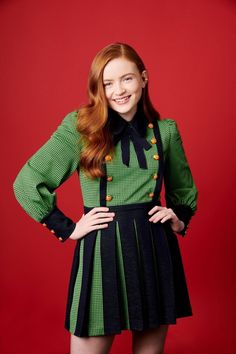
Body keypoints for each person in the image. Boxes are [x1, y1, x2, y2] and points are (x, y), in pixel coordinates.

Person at [13, 42, 198, 354]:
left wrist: (178, 219)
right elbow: (27, 182)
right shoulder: (80, 128)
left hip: (153, 250)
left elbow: (183, 190)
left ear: (143, 77)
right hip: (102, 251)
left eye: (126, 79)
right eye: (107, 83)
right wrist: (68, 228)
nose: (118, 91)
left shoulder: (165, 131)